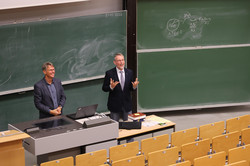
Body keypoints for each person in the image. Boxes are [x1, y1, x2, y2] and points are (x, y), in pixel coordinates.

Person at [102, 53, 139, 122]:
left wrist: (134, 87)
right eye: (119, 60)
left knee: (129, 126)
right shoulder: (109, 73)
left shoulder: (129, 72)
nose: (121, 62)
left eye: (122, 60)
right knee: (114, 127)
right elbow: (104, 88)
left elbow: (131, 88)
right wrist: (111, 87)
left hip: (127, 105)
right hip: (114, 105)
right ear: (114, 62)